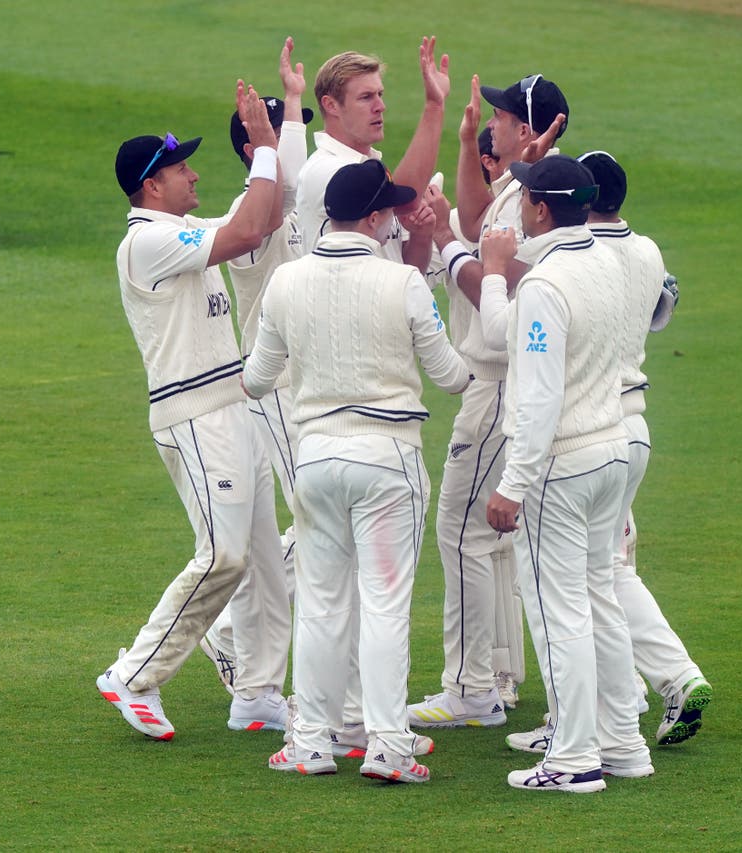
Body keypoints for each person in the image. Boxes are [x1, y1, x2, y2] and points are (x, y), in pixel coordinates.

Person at [243, 159, 470, 782]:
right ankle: (388, 746)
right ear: (371, 217)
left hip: (315, 459)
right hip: (388, 459)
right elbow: (452, 377)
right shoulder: (402, 284)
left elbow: (256, 379)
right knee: (384, 605)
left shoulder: (287, 282)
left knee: (319, 606)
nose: (397, 216)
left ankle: (311, 744)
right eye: (390, 209)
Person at [95, 82, 289, 741]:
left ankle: (258, 691)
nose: (194, 174)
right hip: (195, 417)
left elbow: (258, 222)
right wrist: (262, 143)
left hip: (232, 410)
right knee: (224, 556)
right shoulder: (145, 243)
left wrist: (271, 144)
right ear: (152, 185)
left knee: (264, 562)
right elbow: (243, 230)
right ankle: (134, 673)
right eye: (181, 169)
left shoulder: (179, 229)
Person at [483, 155, 652, 792]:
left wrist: (513, 483)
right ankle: (624, 744)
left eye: (525, 196)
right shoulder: (608, 262)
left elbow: (539, 398)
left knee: (560, 613)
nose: (520, 205)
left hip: (565, 461)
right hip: (613, 449)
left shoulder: (546, 285)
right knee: (600, 598)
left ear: (541, 209)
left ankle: (574, 758)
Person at [407, 73, 568, 729]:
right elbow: (476, 216)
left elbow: (491, 277)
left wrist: (446, 247)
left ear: (527, 129)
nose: (492, 123)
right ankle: (494, 677)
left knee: (464, 533)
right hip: (503, 384)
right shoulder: (524, 184)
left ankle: (473, 688)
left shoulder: (539, 195)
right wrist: (467, 137)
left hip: (498, 383)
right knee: (491, 538)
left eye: (500, 115)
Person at [578, 150, 710, 745]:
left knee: (586, 576)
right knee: (605, 568)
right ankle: (674, 677)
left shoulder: (581, 256)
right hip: (635, 428)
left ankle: (647, 688)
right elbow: (661, 314)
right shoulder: (648, 249)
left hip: (591, 432)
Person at [199, 38, 312, 712]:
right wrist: (288, 116)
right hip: (275, 388)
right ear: (250, 149)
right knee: (321, 523)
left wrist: (294, 104)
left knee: (297, 529)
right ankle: (222, 631)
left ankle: (235, 642)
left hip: (308, 383)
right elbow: (287, 184)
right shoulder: (249, 219)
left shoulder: (292, 201)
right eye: (267, 134)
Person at [295, 38, 450, 272]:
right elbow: (408, 201)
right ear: (331, 105)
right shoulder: (324, 171)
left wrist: (420, 235)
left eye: (380, 94)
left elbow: (407, 269)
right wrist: (434, 106)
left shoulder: (370, 165)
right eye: (366, 97)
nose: (380, 106)